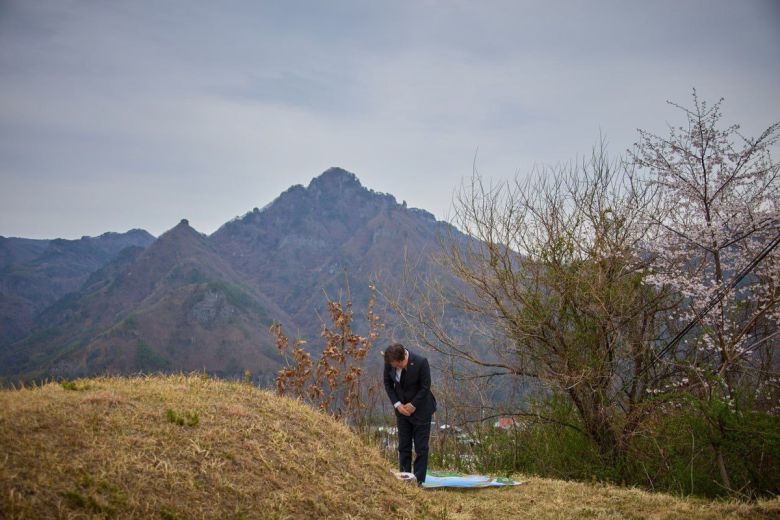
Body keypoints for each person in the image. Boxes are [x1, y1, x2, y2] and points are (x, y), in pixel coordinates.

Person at [383, 343, 436, 485]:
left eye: (397, 365)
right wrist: (397, 404)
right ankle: (404, 478)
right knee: (404, 446)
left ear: (403, 358)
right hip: (402, 410)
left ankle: (418, 481)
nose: (395, 368)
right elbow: (387, 384)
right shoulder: (390, 362)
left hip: (421, 409)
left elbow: (425, 387)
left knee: (421, 447)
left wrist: (413, 405)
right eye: (393, 366)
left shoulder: (421, 362)